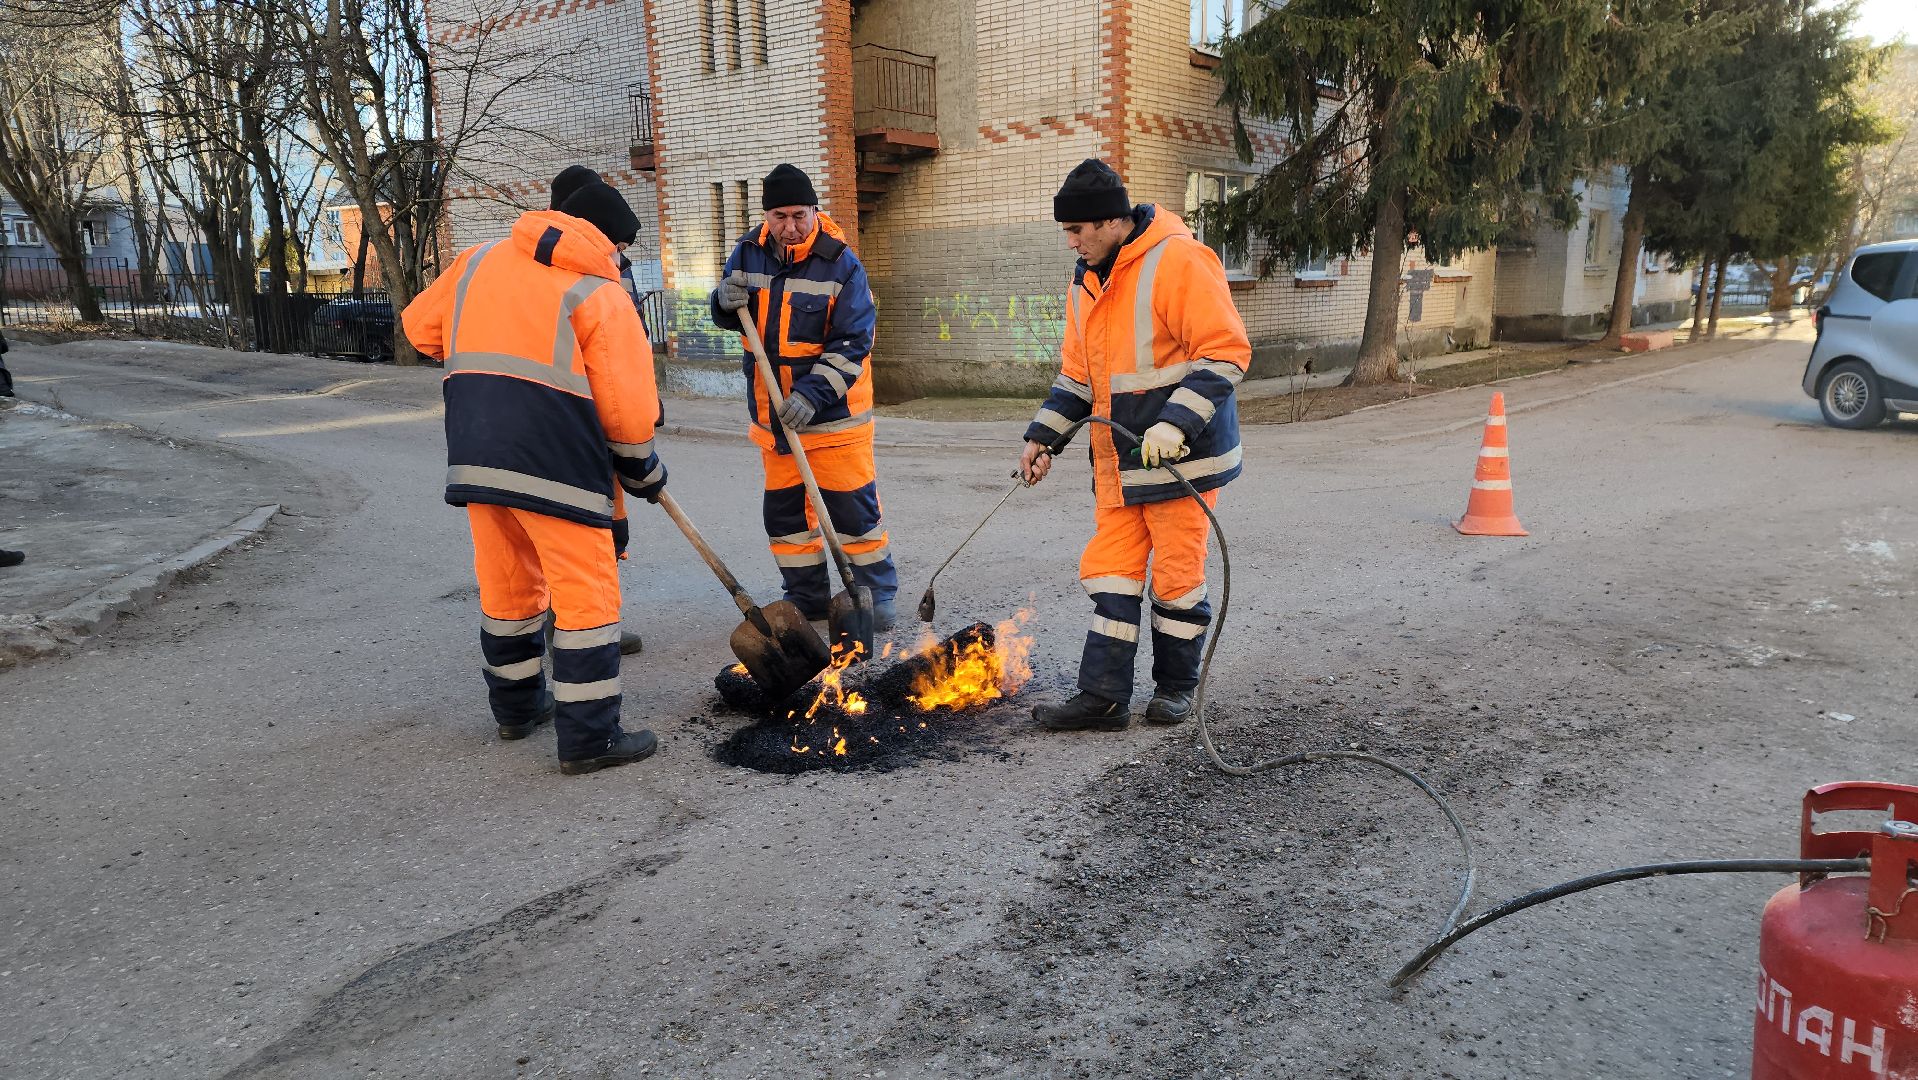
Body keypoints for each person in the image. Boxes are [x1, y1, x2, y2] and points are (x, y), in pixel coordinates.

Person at [402, 180, 667, 775]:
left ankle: (517, 710)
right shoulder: (599, 292)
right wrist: (645, 469)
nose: (624, 260)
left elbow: (420, 329)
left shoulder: (477, 260)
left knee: (508, 589)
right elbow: (626, 412)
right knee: (586, 598)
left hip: (476, 452)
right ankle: (590, 738)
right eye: (623, 247)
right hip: (558, 466)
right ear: (605, 238)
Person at [1019, 159, 1250, 731]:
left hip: (1180, 464)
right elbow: (1080, 377)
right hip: (1119, 465)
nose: (1071, 243)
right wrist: (1042, 438)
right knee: (1111, 575)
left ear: (1110, 222)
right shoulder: (1085, 279)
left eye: (1077, 231)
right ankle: (1102, 697)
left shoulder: (1178, 259)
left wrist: (1175, 424)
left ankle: (1175, 689)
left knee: (1176, 579)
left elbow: (1225, 351)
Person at [710, 164, 898, 630]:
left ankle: (875, 597)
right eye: (779, 216)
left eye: (799, 215)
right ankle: (807, 597)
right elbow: (735, 318)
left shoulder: (841, 264)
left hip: (834, 422)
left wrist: (812, 395)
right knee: (787, 519)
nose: (789, 226)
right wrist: (721, 302)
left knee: (854, 516)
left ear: (815, 210)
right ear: (765, 216)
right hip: (774, 421)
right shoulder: (746, 254)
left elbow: (854, 341)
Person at [548, 166, 646, 658]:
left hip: (608, 411)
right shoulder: (552, 267)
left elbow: (626, 341)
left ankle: (599, 620)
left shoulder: (611, 266)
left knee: (608, 525)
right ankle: (570, 626)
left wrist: (641, 411)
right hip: (572, 417)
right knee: (569, 538)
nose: (619, 254)